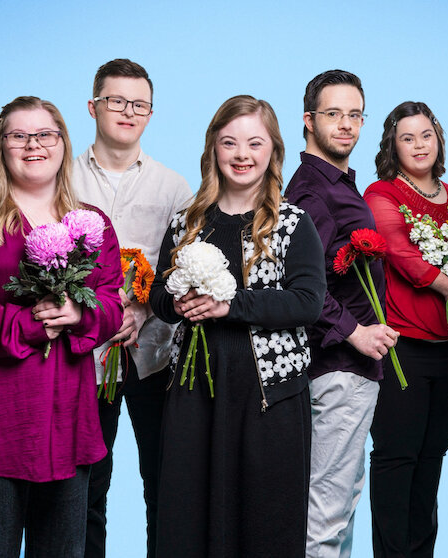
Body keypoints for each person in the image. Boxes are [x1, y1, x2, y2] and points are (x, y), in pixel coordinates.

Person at [0, 96, 124, 558]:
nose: (33, 144)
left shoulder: (91, 224)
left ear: (63, 143)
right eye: (19, 135)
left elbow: (113, 302)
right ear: (2, 146)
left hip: (67, 424)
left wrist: (81, 314)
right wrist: (29, 323)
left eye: (45, 134)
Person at [150, 95, 326, 558]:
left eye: (254, 143)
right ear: (213, 148)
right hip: (194, 393)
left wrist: (229, 306)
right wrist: (178, 301)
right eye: (229, 142)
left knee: (266, 526)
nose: (241, 154)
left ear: (273, 151)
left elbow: (308, 302)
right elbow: (158, 297)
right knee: (188, 520)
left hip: (269, 398)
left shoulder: (292, 223)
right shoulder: (187, 222)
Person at [71, 58, 192, 558]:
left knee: (164, 485)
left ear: (151, 113)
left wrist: (144, 311)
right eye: (116, 101)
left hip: (154, 356)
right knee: (85, 488)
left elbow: (182, 271)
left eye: (139, 104)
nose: (128, 112)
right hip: (82, 358)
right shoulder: (60, 179)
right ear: (93, 106)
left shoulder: (174, 187)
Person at [283, 69, 400, 558]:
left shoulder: (337, 184)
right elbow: (300, 283)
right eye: (333, 113)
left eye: (355, 114)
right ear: (308, 120)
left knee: (340, 505)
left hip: (349, 371)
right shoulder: (313, 191)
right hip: (336, 368)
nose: (346, 124)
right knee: (326, 513)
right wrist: (355, 332)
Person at [363, 101, 448, 557]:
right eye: (407, 138)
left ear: (438, 139)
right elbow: (400, 253)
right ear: (393, 146)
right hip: (401, 349)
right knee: (396, 460)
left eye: (426, 135)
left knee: (431, 462)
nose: (419, 145)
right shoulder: (382, 193)